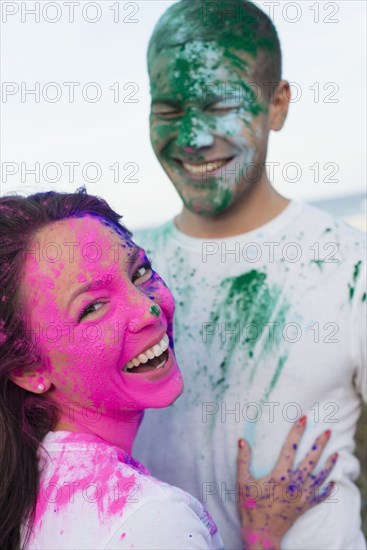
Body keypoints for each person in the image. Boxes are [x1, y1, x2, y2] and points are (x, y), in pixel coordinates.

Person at [133, 1, 367, 549]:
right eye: (169, 109)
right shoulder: (128, 277)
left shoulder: (352, 267)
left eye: (219, 105)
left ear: (277, 104)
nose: (192, 138)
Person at [0, 189, 336, 550]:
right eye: (93, 307)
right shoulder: (152, 519)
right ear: (27, 369)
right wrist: (263, 538)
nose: (148, 309)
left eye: (140, 271)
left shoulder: (25, 485)